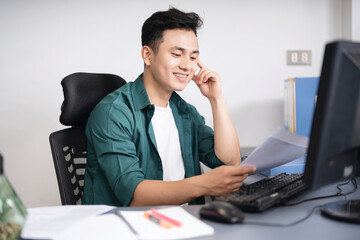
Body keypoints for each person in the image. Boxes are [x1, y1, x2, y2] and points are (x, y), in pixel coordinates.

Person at [82, 7, 256, 207]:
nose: (187, 66)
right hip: (130, 228)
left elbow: (229, 162)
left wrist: (216, 99)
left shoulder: (184, 112)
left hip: (183, 223)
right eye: (177, 54)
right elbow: (133, 194)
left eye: (192, 57)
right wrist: (203, 185)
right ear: (147, 55)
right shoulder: (113, 113)